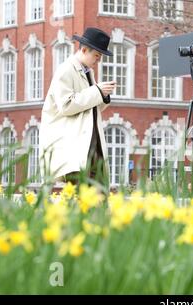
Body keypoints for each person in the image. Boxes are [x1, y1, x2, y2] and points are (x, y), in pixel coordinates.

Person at [39, 27, 116, 188]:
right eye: (96, 55)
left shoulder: (87, 72)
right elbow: (66, 105)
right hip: (73, 147)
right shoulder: (66, 70)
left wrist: (103, 96)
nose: (98, 60)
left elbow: (88, 109)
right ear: (83, 49)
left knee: (99, 194)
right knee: (80, 197)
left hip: (90, 145)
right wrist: (97, 91)